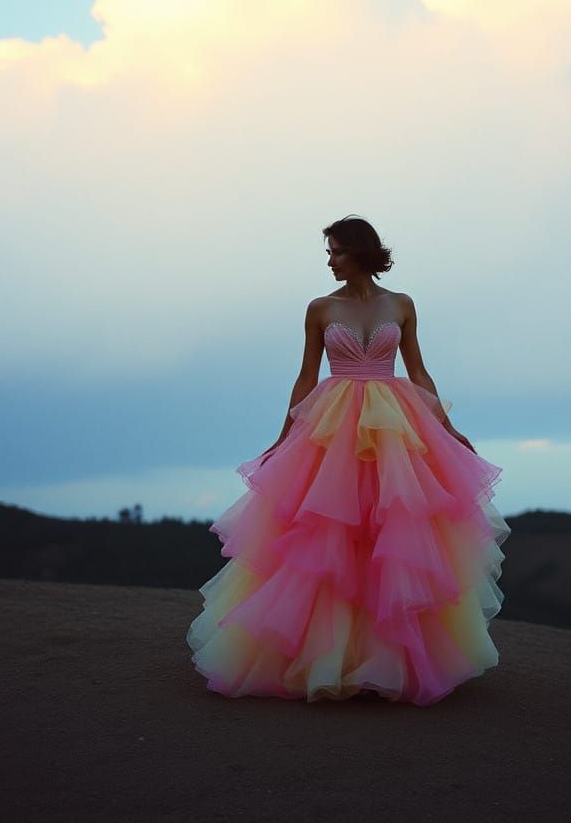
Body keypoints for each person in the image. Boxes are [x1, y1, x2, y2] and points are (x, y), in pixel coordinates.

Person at [185, 215, 511, 705]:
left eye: (335, 252)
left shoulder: (401, 304)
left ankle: (388, 661)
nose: (331, 261)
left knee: (395, 536)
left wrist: (445, 427)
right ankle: (329, 659)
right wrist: (283, 438)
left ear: (359, 252)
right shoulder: (319, 309)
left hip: (395, 428)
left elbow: (418, 369)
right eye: (329, 253)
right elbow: (306, 376)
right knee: (330, 537)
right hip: (333, 426)